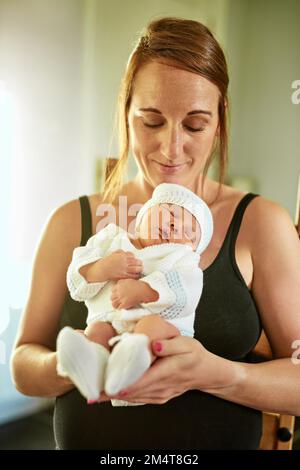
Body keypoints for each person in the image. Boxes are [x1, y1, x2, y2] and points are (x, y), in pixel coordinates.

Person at [10, 17, 300, 450]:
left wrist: (221, 375)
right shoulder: (73, 221)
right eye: (151, 121)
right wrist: (78, 365)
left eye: (195, 125)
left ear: (219, 122)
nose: (170, 148)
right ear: (125, 114)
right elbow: (23, 365)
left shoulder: (261, 223)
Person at [56, 183, 213, 405]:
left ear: (192, 248)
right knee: (96, 332)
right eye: (169, 212)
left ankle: (131, 361)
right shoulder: (111, 238)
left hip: (163, 334)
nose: (174, 225)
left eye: (188, 232)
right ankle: (93, 375)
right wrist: (100, 268)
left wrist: (145, 291)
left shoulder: (182, 258)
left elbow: (187, 291)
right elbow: (76, 277)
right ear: (144, 213)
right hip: (111, 325)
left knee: (150, 327)